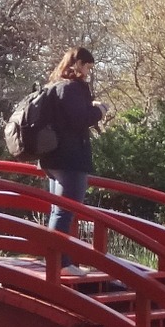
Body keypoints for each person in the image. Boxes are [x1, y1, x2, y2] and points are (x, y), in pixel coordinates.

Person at [39, 46, 110, 276]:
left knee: (57, 211)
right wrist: (99, 111)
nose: (88, 72)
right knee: (65, 211)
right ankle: (60, 263)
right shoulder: (71, 88)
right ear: (78, 64)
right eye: (87, 67)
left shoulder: (53, 86)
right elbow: (79, 119)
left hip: (51, 157)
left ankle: (56, 259)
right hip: (70, 158)